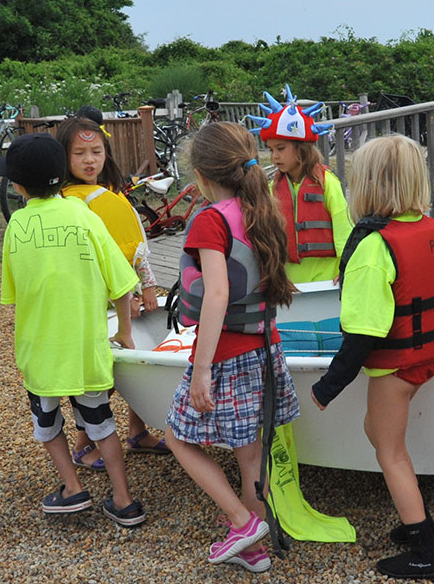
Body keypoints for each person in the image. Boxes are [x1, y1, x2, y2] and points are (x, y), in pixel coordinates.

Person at [310, 134, 434, 579]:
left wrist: (327, 387)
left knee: (390, 452)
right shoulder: (432, 231)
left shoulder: (375, 248)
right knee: (377, 430)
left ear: (367, 186)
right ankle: (415, 518)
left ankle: (423, 547)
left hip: (395, 368)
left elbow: (362, 333)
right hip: (425, 356)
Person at [166, 122, 301, 573]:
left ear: (201, 176)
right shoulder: (261, 207)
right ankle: (254, 551)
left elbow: (217, 294)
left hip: (225, 356)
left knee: (176, 437)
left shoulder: (211, 218)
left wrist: (201, 368)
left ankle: (242, 522)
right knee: (250, 457)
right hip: (264, 349)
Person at [0, 133, 145, 526]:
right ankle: (123, 499)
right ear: (62, 176)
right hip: (85, 347)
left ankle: (73, 489)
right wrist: (126, 332)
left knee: (47, 424)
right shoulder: (85, 216)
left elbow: (14, 294)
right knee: (101, 422)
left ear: (17, 185)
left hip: (39, 351)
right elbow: (122, 283)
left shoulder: (16, 226)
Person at [52, 117, 173, 469]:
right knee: (99, 376)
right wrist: (130, 293)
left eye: (96, 151)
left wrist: (146, 286)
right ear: (64, 158)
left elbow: (135, 249)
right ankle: (82, 441)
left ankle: (136, 430)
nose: (90, 160)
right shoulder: (67, 203)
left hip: (126, 300)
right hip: (95, 305)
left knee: (133, 364)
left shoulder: (109, 197)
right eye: (79, 153)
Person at [247, 85, 353, 284]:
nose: (274, 156)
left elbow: (343, 229)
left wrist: (346, 265)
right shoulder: (273, 187)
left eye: (280, 148)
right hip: (289, 277)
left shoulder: (327, 182)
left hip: (327, 276)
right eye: (271, 150)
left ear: (301, 148)